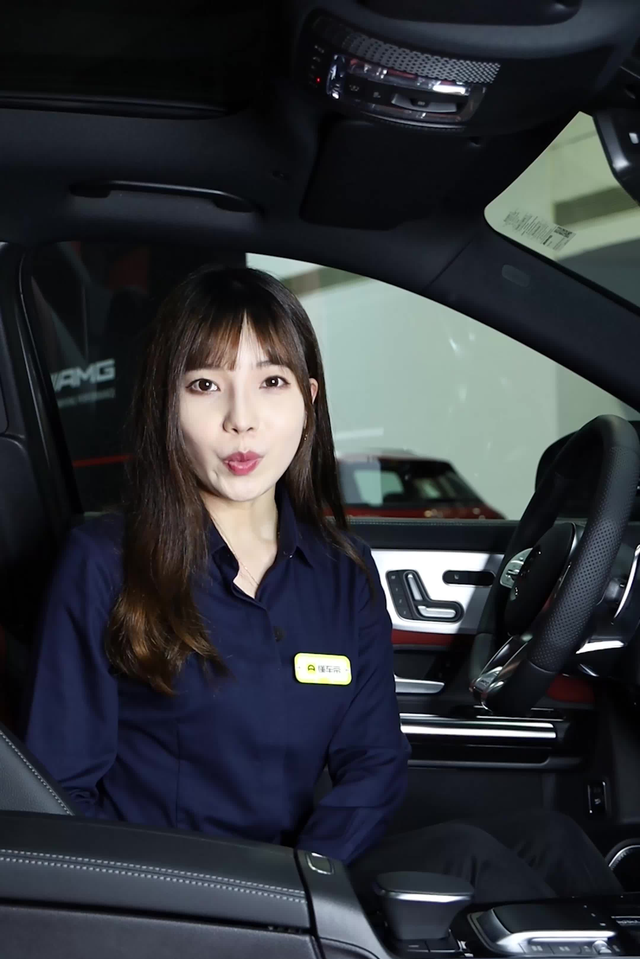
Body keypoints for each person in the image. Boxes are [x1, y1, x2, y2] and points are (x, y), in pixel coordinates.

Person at [20, 265, 621, 906]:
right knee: (468, 858)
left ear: (308, 400)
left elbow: (374, 760)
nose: (241, 420)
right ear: (167, 403)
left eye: (271, 382)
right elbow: (58, 793)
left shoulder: (344, 571)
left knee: (553, 838)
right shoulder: (103, 564)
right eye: (205, 385)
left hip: (296, 881)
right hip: (180, 902)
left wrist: (307, 881)